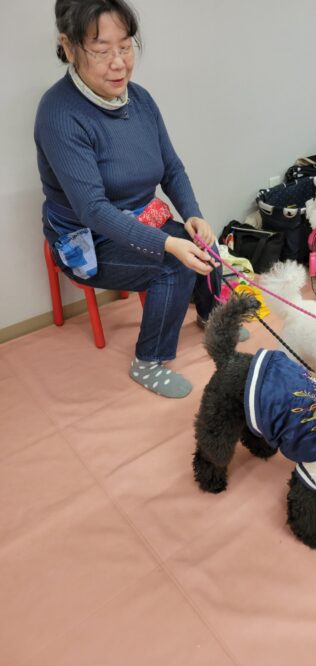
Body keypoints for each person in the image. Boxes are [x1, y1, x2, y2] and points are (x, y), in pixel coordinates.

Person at [35, 0, 246, 399]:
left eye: (126, 46)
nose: (119, 63)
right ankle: (148, 360)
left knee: (203, 241)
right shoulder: (59, 113)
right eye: (101, 50)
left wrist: (194, 215)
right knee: (173, 265)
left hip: (140, 217)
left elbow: (172, 168)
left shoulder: (140, 100)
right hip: (88, 237)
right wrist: (168, 243)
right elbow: (92, 209)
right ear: (68, 46)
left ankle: (211, 316)